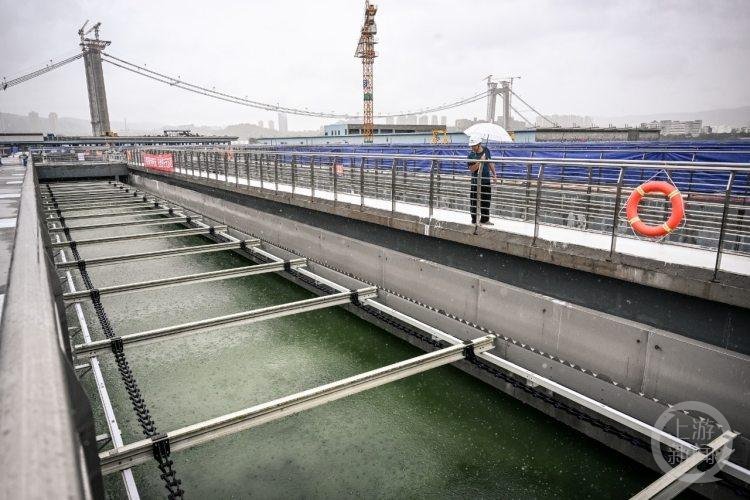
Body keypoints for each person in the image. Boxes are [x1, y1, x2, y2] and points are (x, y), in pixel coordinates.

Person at [467, 136, 497, 225]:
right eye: (471, 146)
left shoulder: (486, 150)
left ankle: (485, 219)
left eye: (474, 145)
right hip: (476, 182)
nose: (472, 147)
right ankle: (474, 220)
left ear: (479, 144)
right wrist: (480, 161)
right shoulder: (471, 155)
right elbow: (472, 169)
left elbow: (490, 162)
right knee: (474, 201)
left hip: (486, 180)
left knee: (486, 200)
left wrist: (494, 174)